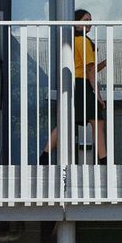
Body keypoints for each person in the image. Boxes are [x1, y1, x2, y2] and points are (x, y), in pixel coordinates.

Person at [38, 9, 107, 165]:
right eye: (85, 20)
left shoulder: (75, 40)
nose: (89, 23)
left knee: (66, 122)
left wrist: (103, 64)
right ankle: (104, 161)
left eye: (90, 20)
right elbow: (89, 71)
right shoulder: (84, 41)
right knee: (97, 121)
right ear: (76, 23)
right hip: (83, 86)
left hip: (75, 84)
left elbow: (87, 68)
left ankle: (45, 156)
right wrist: (98, 95)